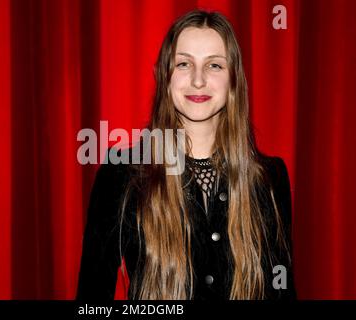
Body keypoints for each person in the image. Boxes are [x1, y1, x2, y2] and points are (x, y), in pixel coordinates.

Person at [76, 10, 296, 300]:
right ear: (165, 76)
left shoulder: (269, 178)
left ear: (233, 79)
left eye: (214, 65)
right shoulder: (122, 175)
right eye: (183, 64)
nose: (198, 80)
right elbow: (91, 302)